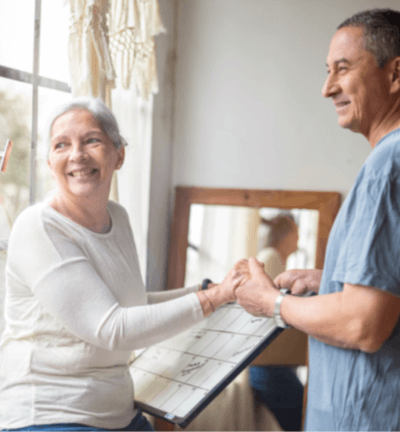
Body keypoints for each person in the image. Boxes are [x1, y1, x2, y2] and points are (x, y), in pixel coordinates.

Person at [0, 97, 245, 431]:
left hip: (119, 414)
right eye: (61, 145)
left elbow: (132, 305)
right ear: (49, 162)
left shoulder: (118, 217)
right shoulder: (39, 226)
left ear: (119, 155)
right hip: (51, 415)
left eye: (92, 140)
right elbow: (112, 328)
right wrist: (211, 300)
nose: (77, 155)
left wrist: (209, 291)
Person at [235, 8, 400, 431]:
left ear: (396, 74)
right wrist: (331, 280)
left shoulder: (388, 166)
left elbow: (364, 324)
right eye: (327, 71)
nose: (327, 88)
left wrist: (272, 303)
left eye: (342, 70)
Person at [250, 215, 305, 432]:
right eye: (296, 232)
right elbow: (271, 308)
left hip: (273, 364)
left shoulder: (275, 260)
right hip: (268, 365)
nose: (299, 237)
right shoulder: (270, 257)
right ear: (287, 234)